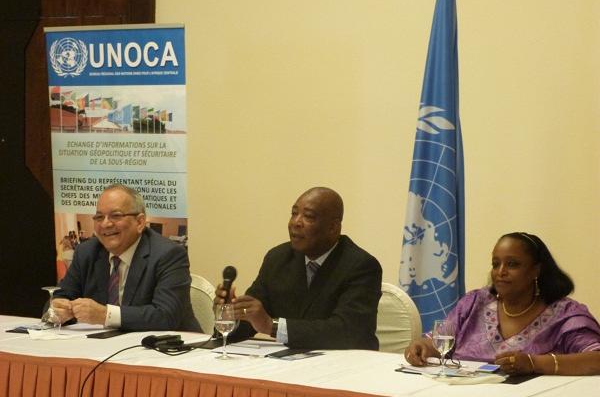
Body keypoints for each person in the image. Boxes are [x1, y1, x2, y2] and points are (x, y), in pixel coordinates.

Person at [404, 232, 600, 375]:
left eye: (512, 264)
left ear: (536, 270)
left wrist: (534, 363)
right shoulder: (475, 303)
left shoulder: (565, 315)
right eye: (496, 264)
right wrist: (421, 346)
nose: (500, 272)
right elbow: (439, 342)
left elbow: (596, 359)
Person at [214, 187, 382, 350]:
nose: (296, 222)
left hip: (346, 364)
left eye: (308, 216)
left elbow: (347, 331)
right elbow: (253, 321)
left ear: (333, 227)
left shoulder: (361, 266)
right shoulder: (278, 259)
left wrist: (271, 326)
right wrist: (230, 315)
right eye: (294, 213)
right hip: (289, 361)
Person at [52, 184, 201, 332]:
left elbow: (166, 316)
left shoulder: (168, 254)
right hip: (104, 343)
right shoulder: (87, 252)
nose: (105, 224)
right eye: (99, 217)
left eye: (116, 216)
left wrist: (105, 315)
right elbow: (59, 297)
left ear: (140, 222)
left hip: (170, 344)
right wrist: (59, 310)